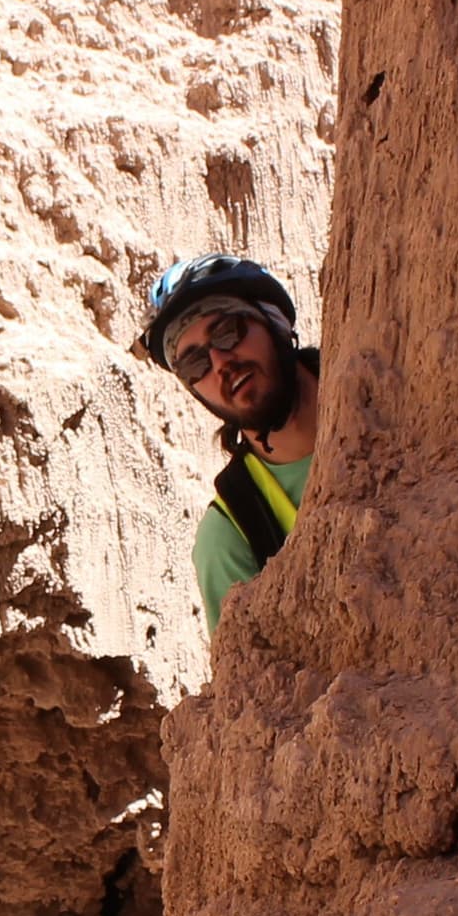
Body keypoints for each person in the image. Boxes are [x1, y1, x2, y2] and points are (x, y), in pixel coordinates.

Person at [139, 254, 317, 634]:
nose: (220, 363)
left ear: (274, 322)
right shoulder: (231, 535)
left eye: (226, 332)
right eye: (194, 364)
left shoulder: (384, 378)